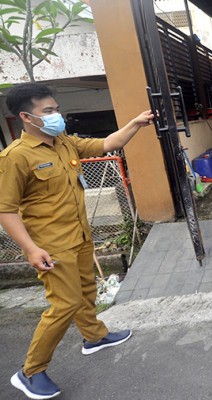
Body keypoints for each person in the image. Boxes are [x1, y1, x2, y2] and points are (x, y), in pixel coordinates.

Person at [0, 83, 154, 400]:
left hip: (80, 236)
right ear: (27, 117)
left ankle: (94, 337)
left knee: (86, 290)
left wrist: (135, 124)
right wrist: (30, 248)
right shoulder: (15, 157)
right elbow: (4, 209)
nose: (57, 115)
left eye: (56, 108)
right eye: (49, 111)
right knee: (64, 304)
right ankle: (30, 372)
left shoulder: (64, 143)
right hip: (50, 246)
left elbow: (108, 143)